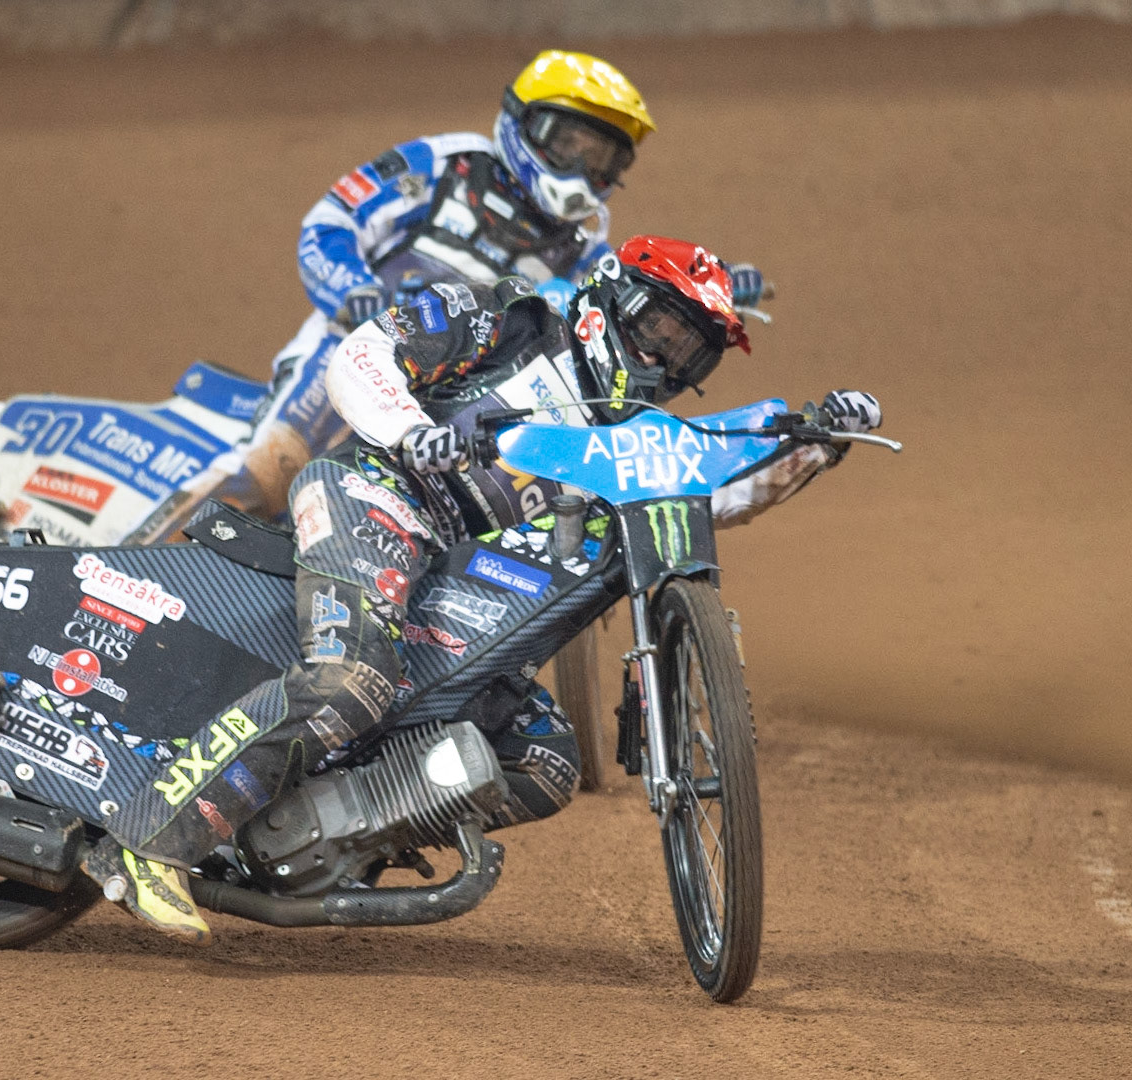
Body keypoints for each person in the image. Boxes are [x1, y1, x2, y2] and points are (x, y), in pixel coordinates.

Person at [84, 236, 879, 944]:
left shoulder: (632, 438)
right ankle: (146, 839)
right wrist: (407, 428)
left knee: (543, 760)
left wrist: (816, 443)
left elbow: (719, 493)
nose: (667, 363)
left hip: (459, 580)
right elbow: (363, 352)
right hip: (378, 497)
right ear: (615, 304)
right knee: (349, 680)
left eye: (690, 357)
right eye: (663, 332)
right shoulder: (515, 316)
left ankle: (317, 839)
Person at [183, 50, 762, 525]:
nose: (584, 172)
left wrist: (711, 289)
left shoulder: (587, 239)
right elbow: (331, 222)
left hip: (473, 393)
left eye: (604, 159)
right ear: (524, 123)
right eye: (572, 146)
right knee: (270, 472)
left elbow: (613, 305)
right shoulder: (445, 164)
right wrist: (353, 289)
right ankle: (128, 571)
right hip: (365, 345)